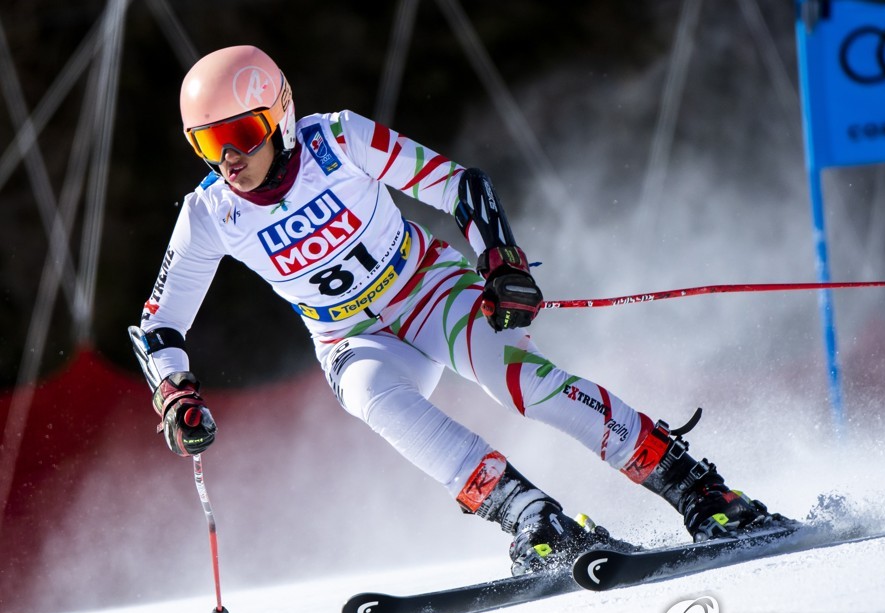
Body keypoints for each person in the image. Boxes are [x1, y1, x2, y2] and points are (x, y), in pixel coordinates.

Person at [129, 45, 781, 576]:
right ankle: (532, 519)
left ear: (279, 115)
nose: (230, 159)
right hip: (351, 336)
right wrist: (176, 392)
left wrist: (500, 258)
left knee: (521, 382)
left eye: (241, 133)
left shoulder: (337, 141)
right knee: (372, 400)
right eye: (208, 145)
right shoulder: (210, 213)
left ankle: (701, 492)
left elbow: (456, 183)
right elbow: (160, 322)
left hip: (427, 290)